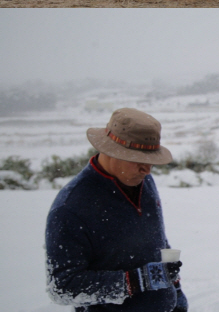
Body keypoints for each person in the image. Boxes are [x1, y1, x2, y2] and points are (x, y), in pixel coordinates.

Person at [45, 108, 188, 312]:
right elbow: (62, 287)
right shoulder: (70, 207)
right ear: (112, 151)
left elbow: (157, 242)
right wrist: (136, 281)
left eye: (151, 162)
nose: (147, 170)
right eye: (139, 160)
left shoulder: (144, 181)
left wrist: (177, 296)